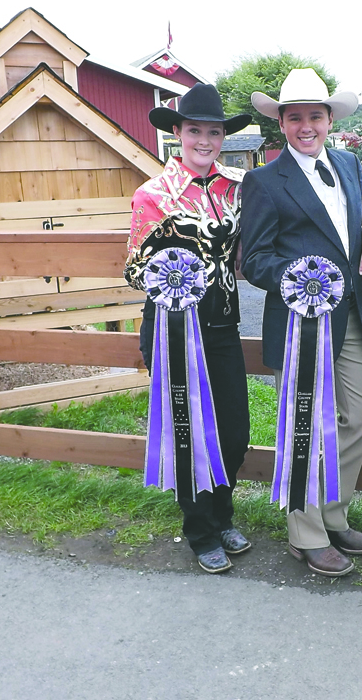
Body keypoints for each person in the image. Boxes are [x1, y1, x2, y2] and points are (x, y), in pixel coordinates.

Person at [240, 68, 362, 578]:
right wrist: (303, 277)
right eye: (294, 118)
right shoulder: (263, 180)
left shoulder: (349, 164)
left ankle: (332, 511)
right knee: (308, 423)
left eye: (314, 115)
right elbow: (255, 258)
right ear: (280, 124)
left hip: (348, 314)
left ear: (330, 119)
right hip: (299, 322)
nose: (305, 126)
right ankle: (305, 534)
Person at [124, 83, 253, 574]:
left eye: (213, 132)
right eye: (194, 130)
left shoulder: (235, 187)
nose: (204, 139)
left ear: (223, 137)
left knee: (234, 433)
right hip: (173, 329)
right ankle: (200, 530)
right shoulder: (152, 195)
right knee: (190, 433)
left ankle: (222, 515)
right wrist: (177, 278)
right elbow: (135, 269)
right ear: (177, 133)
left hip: (221, 326)